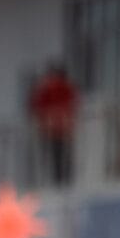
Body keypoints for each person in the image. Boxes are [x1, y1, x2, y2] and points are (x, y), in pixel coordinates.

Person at [29, 60, 79, 188]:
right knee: (58, 156)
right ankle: (61, 181)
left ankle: (62, 181)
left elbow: (71, 104)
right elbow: (37, 106)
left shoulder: (58, 88)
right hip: (54, 129)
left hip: (58, 128)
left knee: (60, 156)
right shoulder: (50, 89)